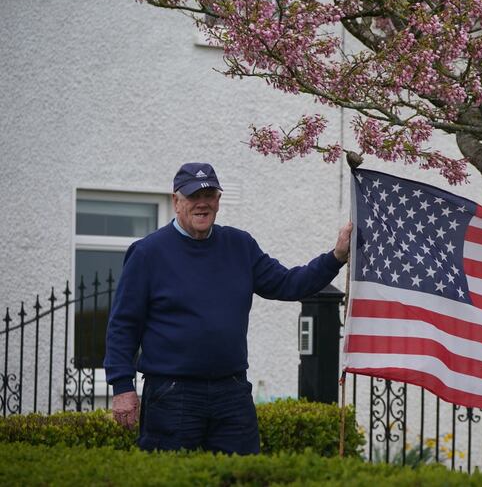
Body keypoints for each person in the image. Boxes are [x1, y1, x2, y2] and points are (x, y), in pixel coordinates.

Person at [105, 162, 351, 455]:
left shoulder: (240, 245)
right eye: (193, 196)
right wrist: (122, 386)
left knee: (242, 476)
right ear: (176, 202)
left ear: (218, 201)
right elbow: (123, 325)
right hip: (172, 394)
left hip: (231, 392)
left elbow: (289, 284)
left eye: (209, 195)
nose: (202, 203)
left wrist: (336, 256)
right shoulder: (147, 253)